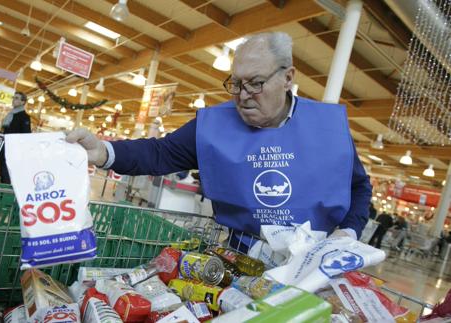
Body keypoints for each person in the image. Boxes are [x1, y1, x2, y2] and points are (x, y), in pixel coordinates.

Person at [66, 32, 372, 252]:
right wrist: (104, 151)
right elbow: (159, 153)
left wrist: (349, 231)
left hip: (312, 263)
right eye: (236, 83)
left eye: (256, 83)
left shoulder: (328, 128)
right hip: (241, 258)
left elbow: (358, 186)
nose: (242, 95)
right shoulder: (212, 125)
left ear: (288, 78)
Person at [0, 91, 31, 184]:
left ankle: (5, 195)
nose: (13, 100)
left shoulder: (24, 117)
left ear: (23, 102)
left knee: (7, 174)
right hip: (5, 145)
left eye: (16, 98)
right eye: (13, 97)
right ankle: (1, 193)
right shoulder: (11, 114)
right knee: (2, 171)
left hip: (13, 149)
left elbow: (26, 135)